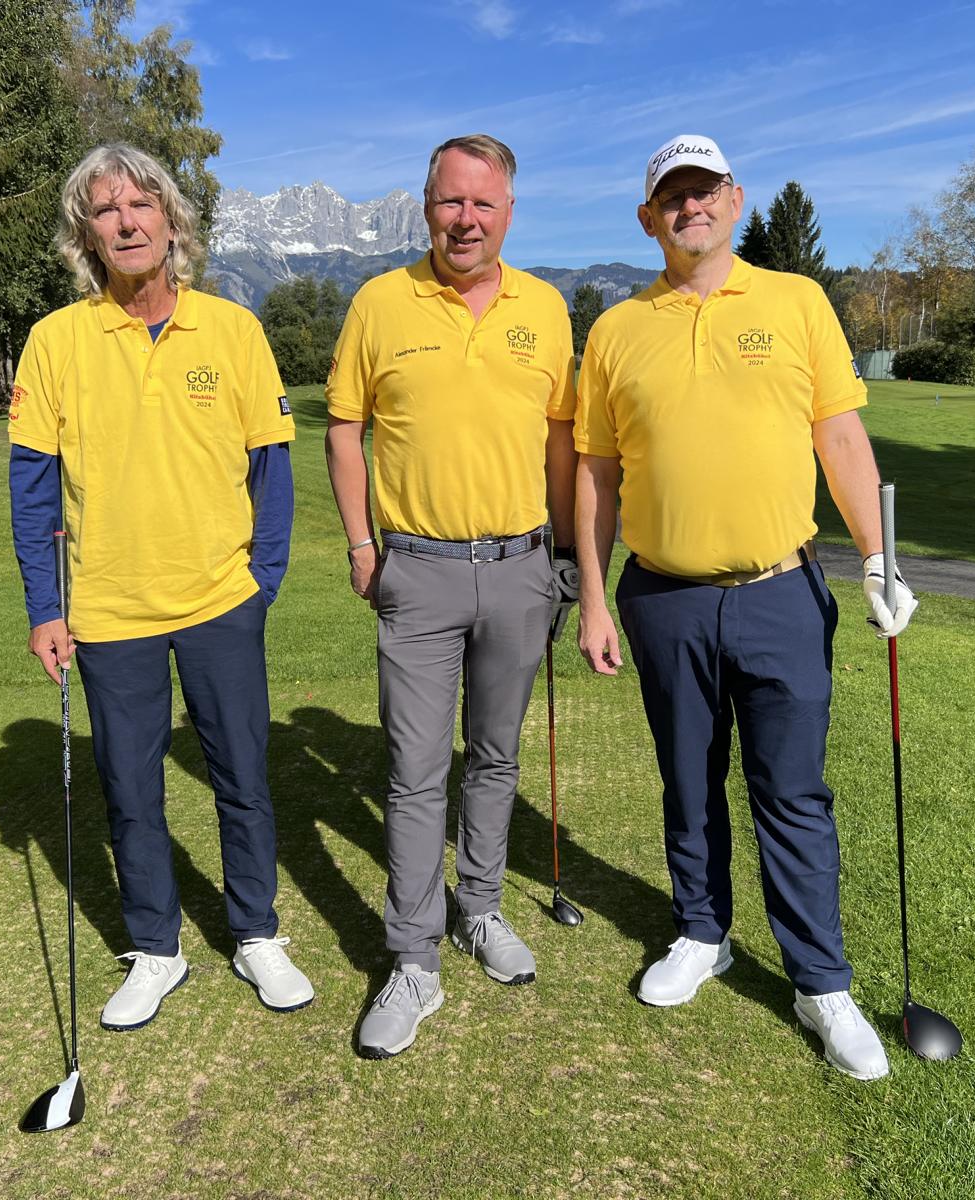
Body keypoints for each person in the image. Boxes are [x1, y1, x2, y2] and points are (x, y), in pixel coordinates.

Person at [573, 135, 919, 1082]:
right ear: (648, 218)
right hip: (662, 597)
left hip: (781, 592)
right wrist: (593, 598)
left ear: (734, 200)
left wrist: (879, 559)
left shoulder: (796, 301)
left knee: (792, 792)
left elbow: (839, 436)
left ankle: (820, 982)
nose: (689, 206)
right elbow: (596, 473)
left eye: (705, 190)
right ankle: (702, 933)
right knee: (688, 781)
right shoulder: (615, 331)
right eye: (671, 196)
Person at [8, 143, 313, 1032]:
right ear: (86, 236)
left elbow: (272, 471)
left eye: (142, 204)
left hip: (221, 600)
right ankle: (156, 949)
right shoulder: (56, 341)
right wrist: (46, 609)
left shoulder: (233, 329)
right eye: (106, 211)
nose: (127, 222)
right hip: (108, 611)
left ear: (173, 222)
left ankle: (255, 932)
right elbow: (32, 489)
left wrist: (261, 581)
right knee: (131, 790)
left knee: (241, 778)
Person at [324, 134, 579, 1059]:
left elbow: (562, 442)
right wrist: (363, 545)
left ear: (508, 212)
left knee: (496, 759)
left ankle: (481, 906)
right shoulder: (379, 302)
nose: (464, 220)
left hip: (520, 565)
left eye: (482, 204)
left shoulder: (545, 308)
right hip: (418, 570)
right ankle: (413, 958)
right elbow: (343, 430)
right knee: (415, 771)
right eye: (449, 201)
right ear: (426, 206)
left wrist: (569, 557)